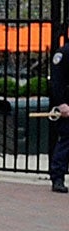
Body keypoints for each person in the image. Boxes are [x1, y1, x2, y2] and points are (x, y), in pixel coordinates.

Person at [48, 25, 68, 195]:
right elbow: (57, 81)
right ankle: (58, 177)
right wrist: (62, 103)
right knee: (66, 141)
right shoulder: (64, 53)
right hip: (67, 105)